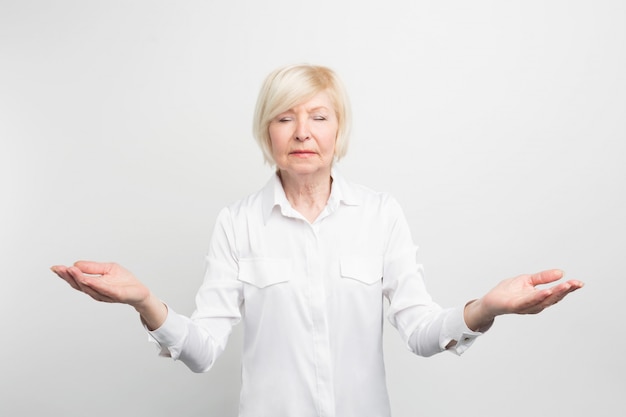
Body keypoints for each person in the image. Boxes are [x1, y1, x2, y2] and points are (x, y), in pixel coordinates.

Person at [50, 64, 584, 417]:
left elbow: (421, 332)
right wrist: (145, 302)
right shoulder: (238, 222)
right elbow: (203, 351)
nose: (302, 131)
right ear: (268, 134)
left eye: (318, 117)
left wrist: (487, 307)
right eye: (285, 118)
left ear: (338, 132)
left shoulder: (380, 214)